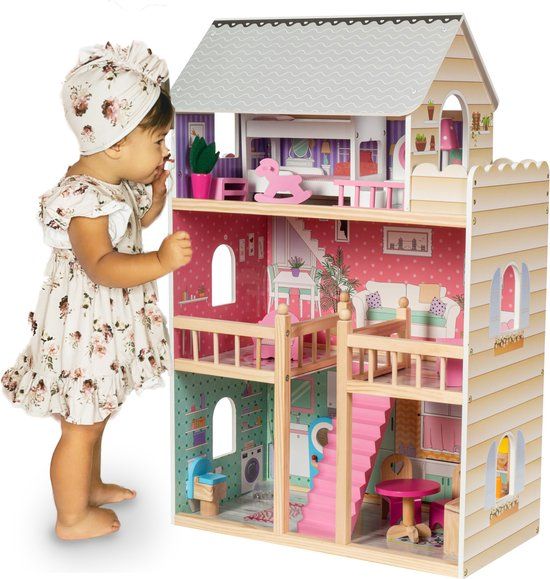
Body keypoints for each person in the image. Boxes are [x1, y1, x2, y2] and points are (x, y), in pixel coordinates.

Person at [1, 40, 192, 541]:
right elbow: (103, 266)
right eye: (158, 140)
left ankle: (89, 486)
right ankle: (70, 518)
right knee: (79, 427)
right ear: (116, 142)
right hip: (85, 331)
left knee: (96, 415)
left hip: (104, 327)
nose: (165, 151)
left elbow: (134, 221)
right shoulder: (84, 201)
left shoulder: (112, 182)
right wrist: (160, 261)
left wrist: (155, 196)